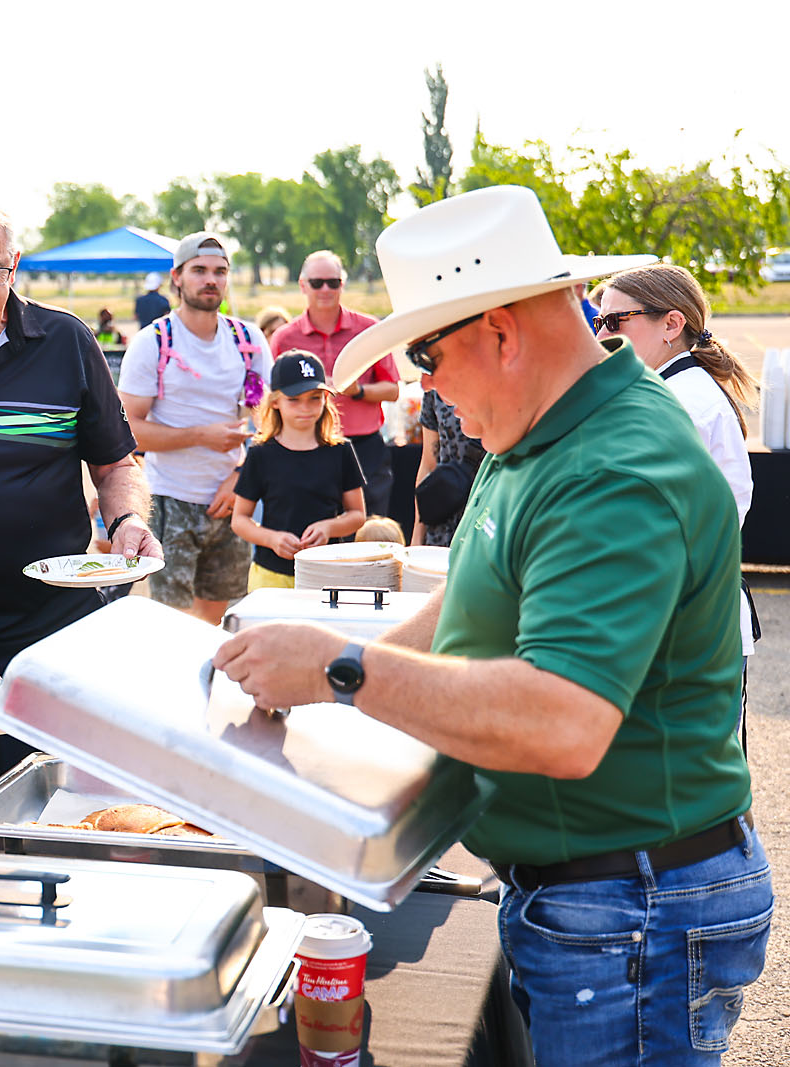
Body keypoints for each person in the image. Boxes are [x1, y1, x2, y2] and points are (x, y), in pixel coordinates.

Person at [214, 185, 771, 1066]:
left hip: (633, 902)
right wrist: (319, 692)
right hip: (595, 891)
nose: (425, 385)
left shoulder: (612, 466)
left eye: (429, 356)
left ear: (502, 333)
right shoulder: (538, 435)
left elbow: (562, 719)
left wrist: (340, 668)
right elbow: (469, 601)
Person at [0, 191, 159, 845]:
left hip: (50, 631)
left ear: (14, 264)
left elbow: (115, 461)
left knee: (50, 825)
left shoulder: (65, 341)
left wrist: (127, 518)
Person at [596, 262, 759, 728]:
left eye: (616, 320)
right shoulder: (664, 393)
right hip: (678, 624)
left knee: (699, 785)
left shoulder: (683, 403)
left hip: (687, 632)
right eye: (599, 320)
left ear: (672, 324)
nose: (604, 333)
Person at [118, 231, 270, 624]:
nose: (211, 280)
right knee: (171, 620)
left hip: (232, 500)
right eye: (199, 270)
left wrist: (241, 477)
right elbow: (127, 431)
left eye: (220, 272)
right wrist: (202, 436)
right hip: (171, 498)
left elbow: (267, 419)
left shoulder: (247, 340)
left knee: (215, 620)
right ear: (177, 278)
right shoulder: (154, 342)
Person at [269, 251, 401, 515]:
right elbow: (272, 398)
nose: (326, 289)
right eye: (318, 283)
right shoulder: (284, 337)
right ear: (303, 285)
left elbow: (393, 390)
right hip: (307, 445)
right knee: (315, 533)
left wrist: (357, 390)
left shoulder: (368, 329)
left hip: (364, 447)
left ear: (343, 283)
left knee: (369, 531)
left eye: (333, 282)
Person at [230, 352, 365, 590]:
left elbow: (357, 515)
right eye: (294, 399)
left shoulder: (341, 451)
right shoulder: (261, 453)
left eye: (315, 398)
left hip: (327, 575)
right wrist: (271, 538)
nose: (306, 408)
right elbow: (240, 520)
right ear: (275, 402)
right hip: (271, 577)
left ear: (326, 398)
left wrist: (328, 527)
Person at [410, 386, 485, 547]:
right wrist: (417, 536)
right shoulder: (434, 390)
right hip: (444, 516)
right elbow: (428, 465)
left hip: (485, 517)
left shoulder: (497, 381)